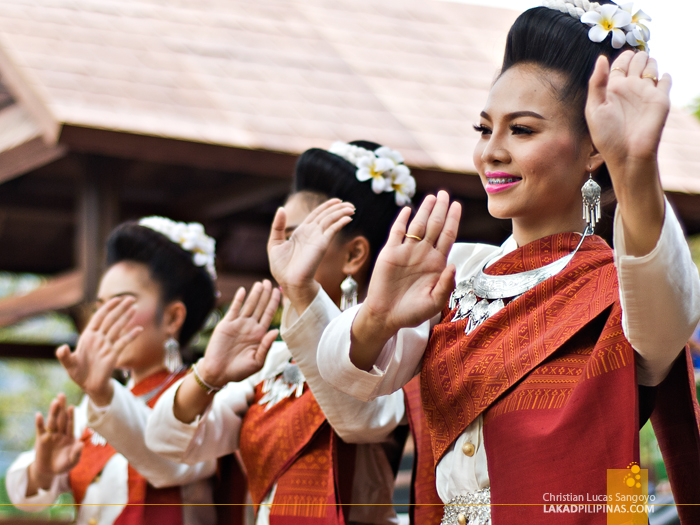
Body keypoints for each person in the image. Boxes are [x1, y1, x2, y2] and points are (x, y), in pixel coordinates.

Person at [315, 2, 700, 524]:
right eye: (483, 128)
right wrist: (376, 317)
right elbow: (353, 387)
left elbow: (667, 323)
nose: (490, 152)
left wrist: (634, 166)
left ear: (592, 149)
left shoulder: (619, 284)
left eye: (521, 130)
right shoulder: (457, 272)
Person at [146, 141, 442, 524]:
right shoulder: (272, 360)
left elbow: (359, 421)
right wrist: (210, 374)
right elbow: (167, 441)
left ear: (354, 256)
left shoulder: (399, 350)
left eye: (300, 238)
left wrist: (303, 292)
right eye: (283, 239)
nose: (283, 256)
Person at [6, 217, 220, 525]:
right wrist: (42, 468)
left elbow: (170, 461)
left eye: (121, 305)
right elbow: (29, 497)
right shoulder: (96, 405)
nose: (103, 322)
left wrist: (102, 393)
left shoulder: (206, 399)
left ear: (173, 318)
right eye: (100, 307)